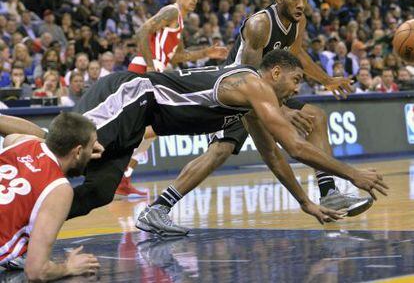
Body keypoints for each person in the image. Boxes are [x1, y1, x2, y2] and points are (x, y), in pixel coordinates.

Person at [140, 0, 369, 234]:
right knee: (220, 151)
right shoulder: (260, 24)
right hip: (233, 91)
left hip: (264, 93)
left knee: (315, 117)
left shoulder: (298, 21)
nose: (301, 4)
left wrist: (326, 79)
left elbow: (295, 58)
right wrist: (280, 110)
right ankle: (159, 208)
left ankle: (329, 192)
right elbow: (248, 76)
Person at [70, 49, 387, 237]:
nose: (295, 90)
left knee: (97, 193)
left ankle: (22, 233)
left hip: (137, 123)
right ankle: (19, 165)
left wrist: (305, 202)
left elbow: (275, 158)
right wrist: (352, 174)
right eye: (295, 80)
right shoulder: (252, 84)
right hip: (129, 95)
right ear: (275, 72)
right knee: (59, 155)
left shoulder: (250, 104)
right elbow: (295, 146)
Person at [118, 0, 228, 198]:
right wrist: (150, 66)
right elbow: (142, 31)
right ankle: (114, 164)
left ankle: (124, 178)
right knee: (148, 126)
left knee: (154, 129)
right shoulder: (170, 11)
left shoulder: (178, 22)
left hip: (156, 73)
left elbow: (178, 56)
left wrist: (206, 52)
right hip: (144, 69)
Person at [0, 112, 102, 281]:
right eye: (91, 147)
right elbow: (36, 272)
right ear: (78, 151)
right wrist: (68, 267)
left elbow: (11, 131)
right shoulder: (59, 189)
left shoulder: (21, 143)